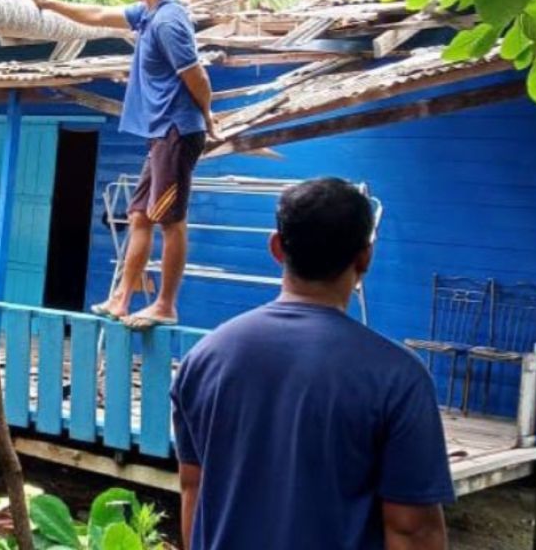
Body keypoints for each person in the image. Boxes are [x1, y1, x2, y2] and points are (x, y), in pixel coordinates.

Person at [172, 178, 454, 550]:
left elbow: (193, 488)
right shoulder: (398, 378)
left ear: (276, 247)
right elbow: (411, 530)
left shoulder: (204, 359)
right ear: (365, 257)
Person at [24, 0, 216, 329]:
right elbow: (96, 14)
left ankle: (165, 304)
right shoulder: (149, 13)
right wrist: (47, 3)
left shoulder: (168, 21)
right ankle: (121, 298)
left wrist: (209, 115)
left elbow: (197, 75)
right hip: (162, 134)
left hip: (176, 132)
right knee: (139, 216)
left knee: (170, 221)